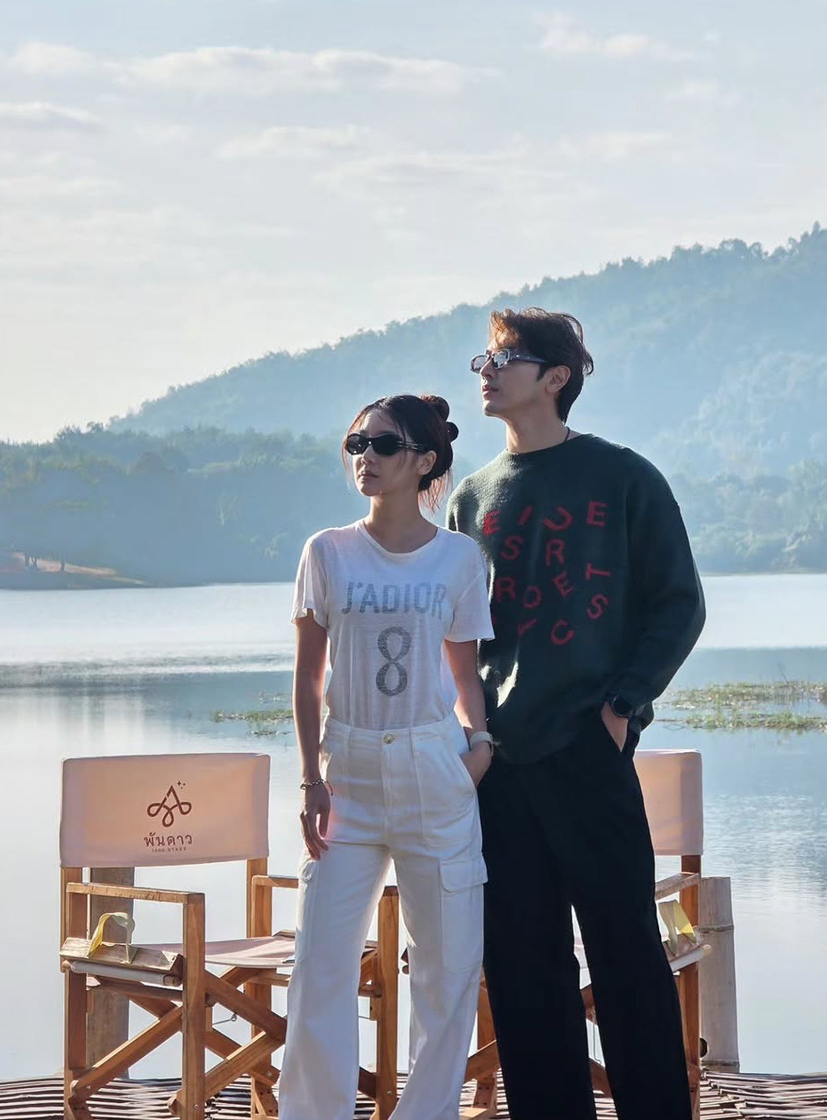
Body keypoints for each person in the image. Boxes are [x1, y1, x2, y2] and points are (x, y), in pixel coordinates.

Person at [447, 308, 706, 1120]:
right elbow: (456, 639)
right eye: (483, 360)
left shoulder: (623, 477)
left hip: (589, 748)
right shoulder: (471, 497)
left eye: (504, 358)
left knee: (626, 953)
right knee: (523, 966)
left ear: (556, 377)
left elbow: (679, 604)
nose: (486, 372)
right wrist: (472, 733)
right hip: (501, 762)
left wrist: (624, 705)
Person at [279, 393, 494, 1120]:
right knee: (320, 964)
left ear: (424, 462)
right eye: (356, 445)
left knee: (447, 969)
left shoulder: (459, 558)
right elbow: (309, 678)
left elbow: (465, 673)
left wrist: (479, 747)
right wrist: (309, 779)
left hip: (436, 770)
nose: (364, 458)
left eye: (383, 445)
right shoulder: (327, 552)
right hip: (349, 774)